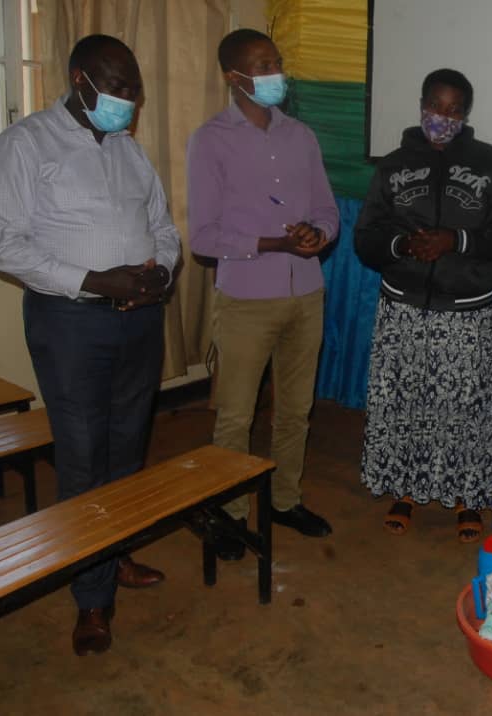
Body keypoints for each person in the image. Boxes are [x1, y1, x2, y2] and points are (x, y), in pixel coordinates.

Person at [0, 34, 180, 656]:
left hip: (137, 321)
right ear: (80, 79)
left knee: (128, 448)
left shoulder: (128, 150)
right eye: (116, 87)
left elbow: (162, 225)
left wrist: (160, 271)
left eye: (134, 90)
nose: (128, 101)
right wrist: (96, 280)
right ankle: (91, 596)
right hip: (70, 323)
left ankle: (113, 553)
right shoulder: (26, 144)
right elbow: (4, 246)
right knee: (82, 456)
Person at [188, 29, 338, 559]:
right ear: (234, 77)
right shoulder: (210, 140)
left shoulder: (302, 136)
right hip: (247, 299)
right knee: (236, 415)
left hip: (306, 292)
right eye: (262, 65)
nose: (276, 73)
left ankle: (284, 500)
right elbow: (203, 238)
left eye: (277, 61)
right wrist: (274, 243)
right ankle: (230, 513)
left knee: (296, 410)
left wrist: (318, 234)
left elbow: (327, 209)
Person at [354, 69, 492, 542]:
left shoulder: (490, 163)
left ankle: (466, 495)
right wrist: (403, 246)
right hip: (403, 306)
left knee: (464, 408)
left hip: (467, 309)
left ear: (465, 113)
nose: (442, 117)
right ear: (422, 104)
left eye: (454, 110)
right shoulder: (393, 165)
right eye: (435, 106)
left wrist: (456, 240)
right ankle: (404, 489)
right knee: (406, 401)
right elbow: (365, 238)